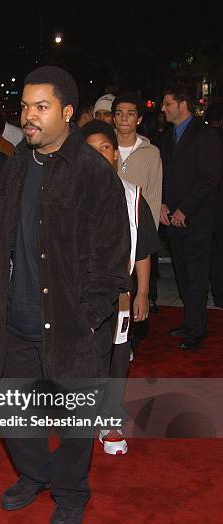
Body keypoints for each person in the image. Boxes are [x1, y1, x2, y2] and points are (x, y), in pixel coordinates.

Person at [0, 66, 130, 524]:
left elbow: (113, 261)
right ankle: (35, 475)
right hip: (17, 318)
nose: (29, 116)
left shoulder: (93, 173)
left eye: (41, 107)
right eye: (26, 106)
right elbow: (4, 235)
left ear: (67, 112)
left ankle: (70, 493)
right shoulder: (16, 165)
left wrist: (86, 319)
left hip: (72, 325)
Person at [81, 120, 160, 455]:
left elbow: (142, 249)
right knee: (85, 357)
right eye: (91, 149)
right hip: (80, 294)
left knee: (116, 357)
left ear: (115, 154)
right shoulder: (67, 197)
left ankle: (110, 420)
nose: (99, 154)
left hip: (121, 294)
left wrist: (141, 292)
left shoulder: (133, 195)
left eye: (105, 147)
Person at [160, 85, 222, 350]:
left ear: (182, 104)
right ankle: (190, 321)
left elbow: (209, 178)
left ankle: (196, 330)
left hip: (196, 220)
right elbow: (163, 175)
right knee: (182, 274)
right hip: (172, 219)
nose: (162, 109)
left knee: (196, 276)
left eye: (167, 103)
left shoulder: (205, 134)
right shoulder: (167, 137)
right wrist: (162, 204)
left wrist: (185, 209)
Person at [113, 92, 163, 334]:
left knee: (135, 291)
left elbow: (153, 196)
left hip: (137, 234)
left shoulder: (151, 153)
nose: (124, 118)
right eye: (119, 113)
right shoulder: (102, 147)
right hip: (108, 235)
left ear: (139, 119)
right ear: (113, 118)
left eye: (130, 113)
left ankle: (128, 339)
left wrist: (147, 236)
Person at [204, 102, 223, 308]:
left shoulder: (207, 137)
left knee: (215, 251)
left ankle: (218, 293)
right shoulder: (211, 138)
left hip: (212, 204)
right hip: (215, 202)